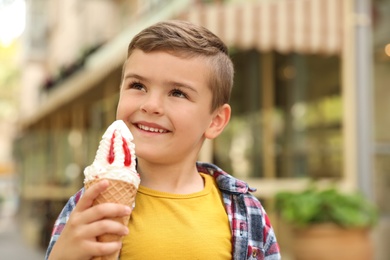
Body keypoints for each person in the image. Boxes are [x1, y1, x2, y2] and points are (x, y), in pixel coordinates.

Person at [45, 20, 281, 260]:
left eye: (178, 93)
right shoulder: (88, 206)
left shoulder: (247, 212)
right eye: (137, 85)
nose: (151, 105)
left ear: (215, 120)